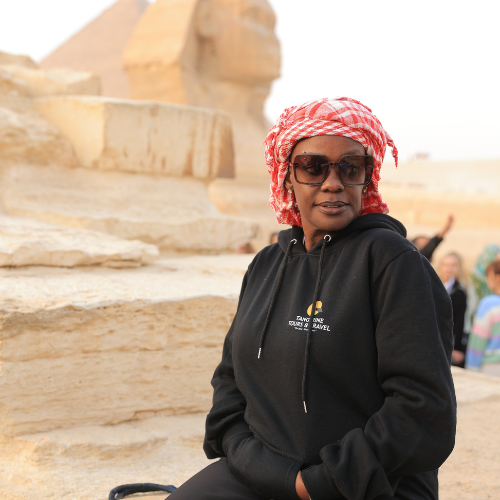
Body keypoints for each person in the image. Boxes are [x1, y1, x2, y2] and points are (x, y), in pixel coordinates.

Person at [168, 97, 456, 500]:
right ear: (287, 176)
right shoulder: (267, 263)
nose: (332, 182)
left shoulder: (394, 263)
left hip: (363, 485)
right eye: (312, 166)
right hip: (263, 473)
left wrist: (315, 484)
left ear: (366, 178)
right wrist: (244, 454)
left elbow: (423, 409)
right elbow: (230, 376)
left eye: (350, 167)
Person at [466, 260, 500, 377]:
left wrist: (471, 371)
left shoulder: (488, 304)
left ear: (497, 277)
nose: (486, 279)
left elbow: (477, 343)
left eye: (489, 276)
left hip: (490, 369)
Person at [438, 252, 467, 367]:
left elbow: (459, 322)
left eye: (453, 265)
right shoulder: (437, 287)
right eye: (446, 265)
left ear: (459, 268)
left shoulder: (459, 292)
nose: (449, 268)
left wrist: (455, 348)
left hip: (451, 344)